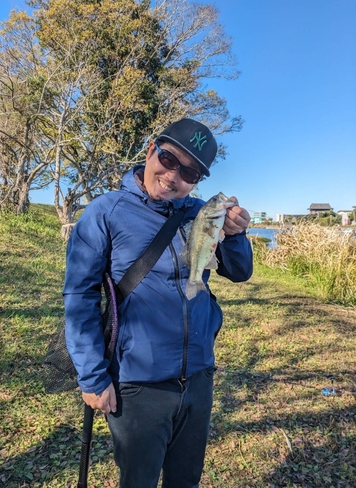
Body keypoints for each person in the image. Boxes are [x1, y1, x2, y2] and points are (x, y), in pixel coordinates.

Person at [64, 118, 253, 488]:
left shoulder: (202, 212)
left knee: (186, 481)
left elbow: (239, 271)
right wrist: (92, 376)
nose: (173, 176)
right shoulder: (105, 212)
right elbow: (80, 297)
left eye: (189, 173)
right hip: (137, 386)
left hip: (199, 377)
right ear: (151, 149)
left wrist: (236, 234)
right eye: (168, 159)